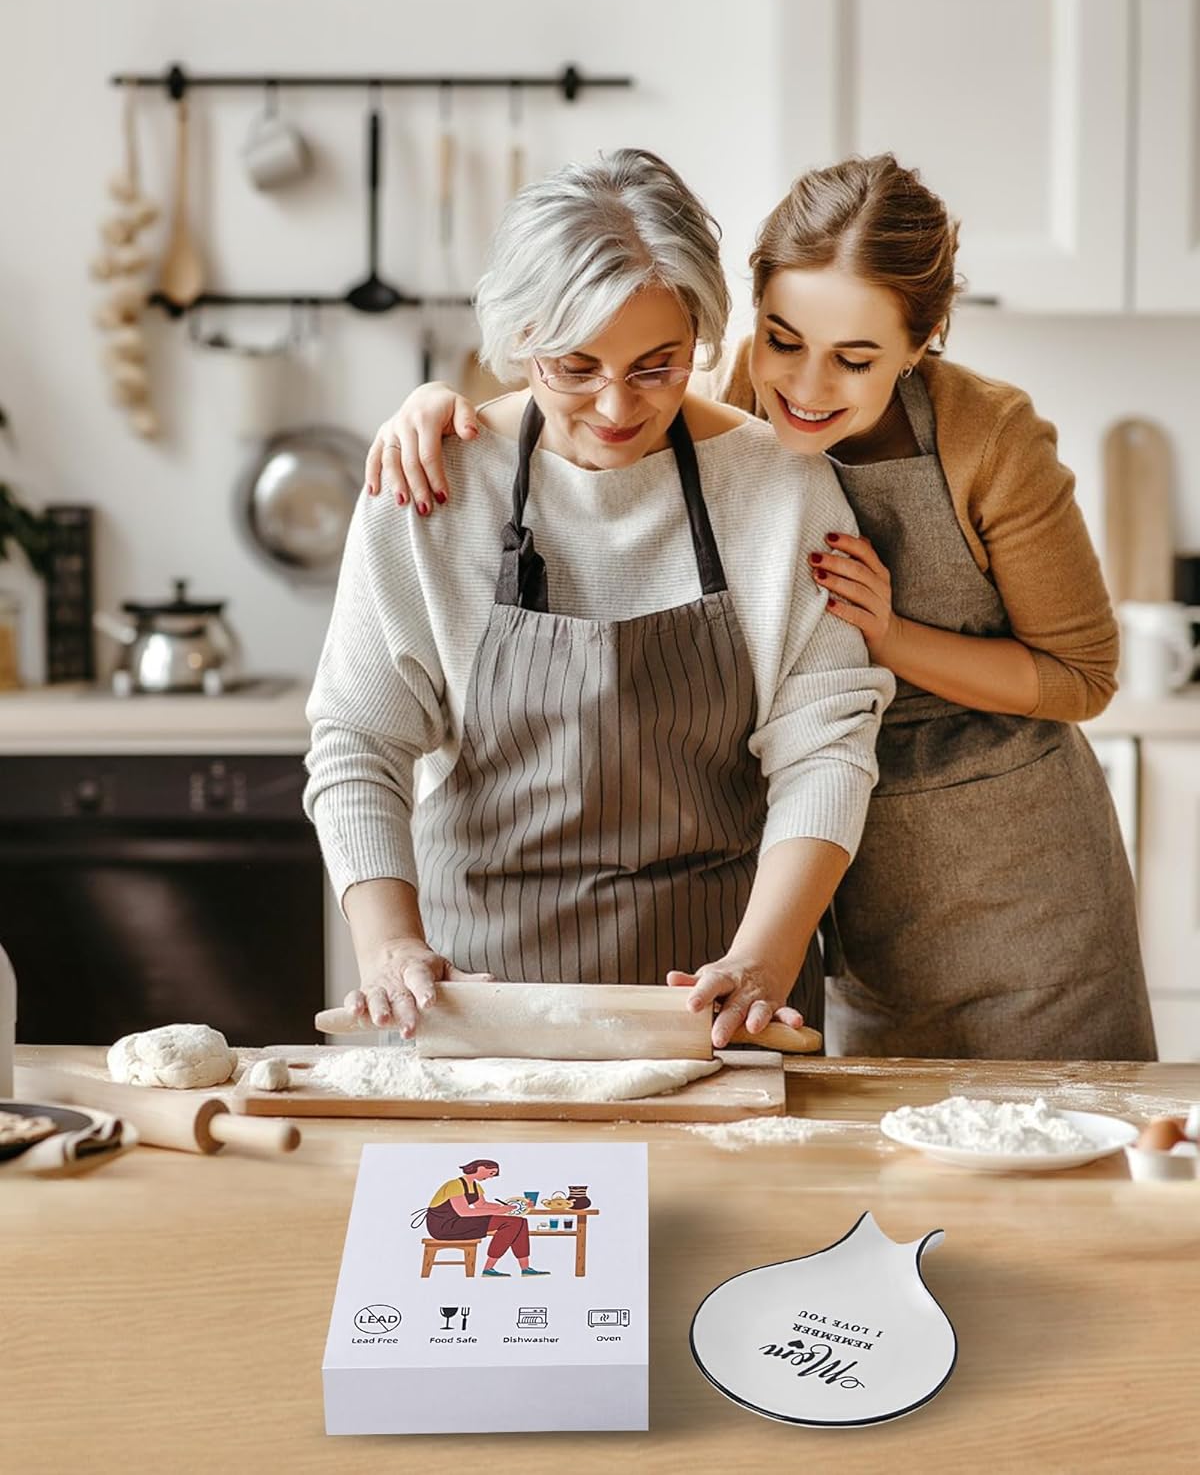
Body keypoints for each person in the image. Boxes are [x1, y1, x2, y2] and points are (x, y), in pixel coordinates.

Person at [364, 152, 1156, 1063]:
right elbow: (600, 390)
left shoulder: (990, 439)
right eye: (783, 340)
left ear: (923, 342)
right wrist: (439, 409)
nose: (807, 389)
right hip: (841, 883)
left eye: (854, 359)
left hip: (1014, 878)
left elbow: (1082, 676)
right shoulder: (727, 405)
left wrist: (889, 637)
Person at [304, 148, 892, 1052]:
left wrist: (764, 960)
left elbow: (826, 748)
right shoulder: (432, 484)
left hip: (720, 1006)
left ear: (700, 336)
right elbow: (358, 740)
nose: (618, 408)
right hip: (478, 1004)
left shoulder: (780, 488)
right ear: (519, 341)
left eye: (659, 367)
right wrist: (389, 947)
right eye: (575, 368)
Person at [422, 1159, 548, 1278]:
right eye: (491, 1173)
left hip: (460, 1222)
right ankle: (489, 1269)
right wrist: (498, 1211)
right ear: (481, 1168)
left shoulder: (475, 1186)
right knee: (512, 1223)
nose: (491, 1177)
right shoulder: (454, 1185)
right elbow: (464, 1212)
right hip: (445, 1225)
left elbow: (482, 1205)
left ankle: (525, 1268)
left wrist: (510, 1206)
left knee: (521, 1222)